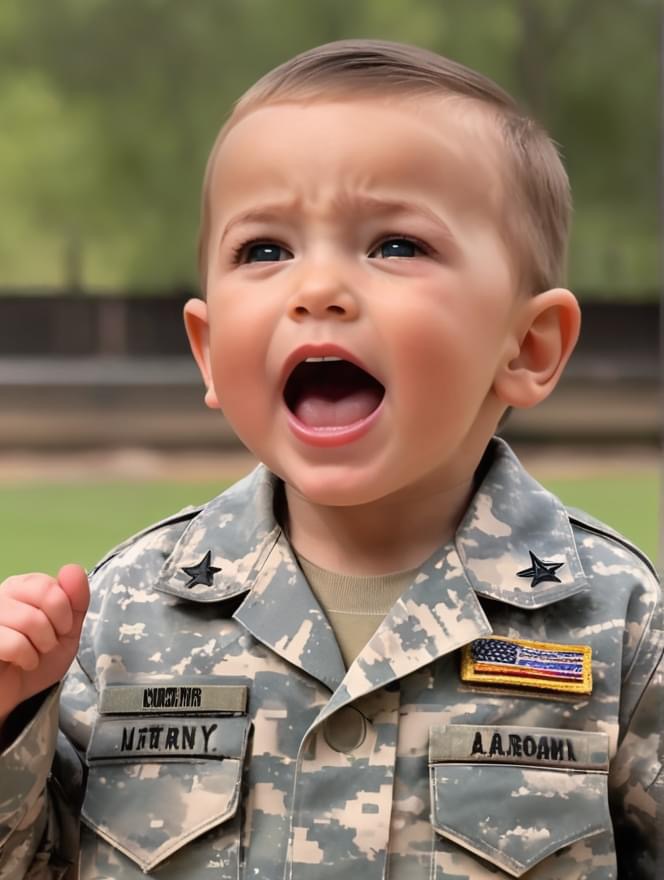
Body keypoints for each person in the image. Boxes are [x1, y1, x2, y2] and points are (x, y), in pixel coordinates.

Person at [0, 39, 660, 880]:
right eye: (265, 250)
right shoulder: (123, 615)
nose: (317, 288)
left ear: (526, 347)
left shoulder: (618, 621)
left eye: (394, 246)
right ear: (207, 351)